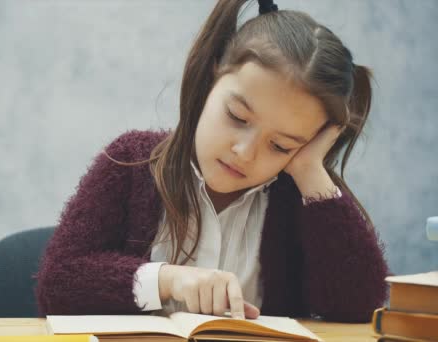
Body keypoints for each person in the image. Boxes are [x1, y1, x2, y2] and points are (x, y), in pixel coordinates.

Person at [35, 0, 389, 323]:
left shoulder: (297, 196)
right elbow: (59, 283)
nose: (245, 152)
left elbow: (360, 307)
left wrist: (311, 171)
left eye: (280, 146)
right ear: (211, 76)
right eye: (237, 116)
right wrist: (169, 279)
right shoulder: (130, 162)